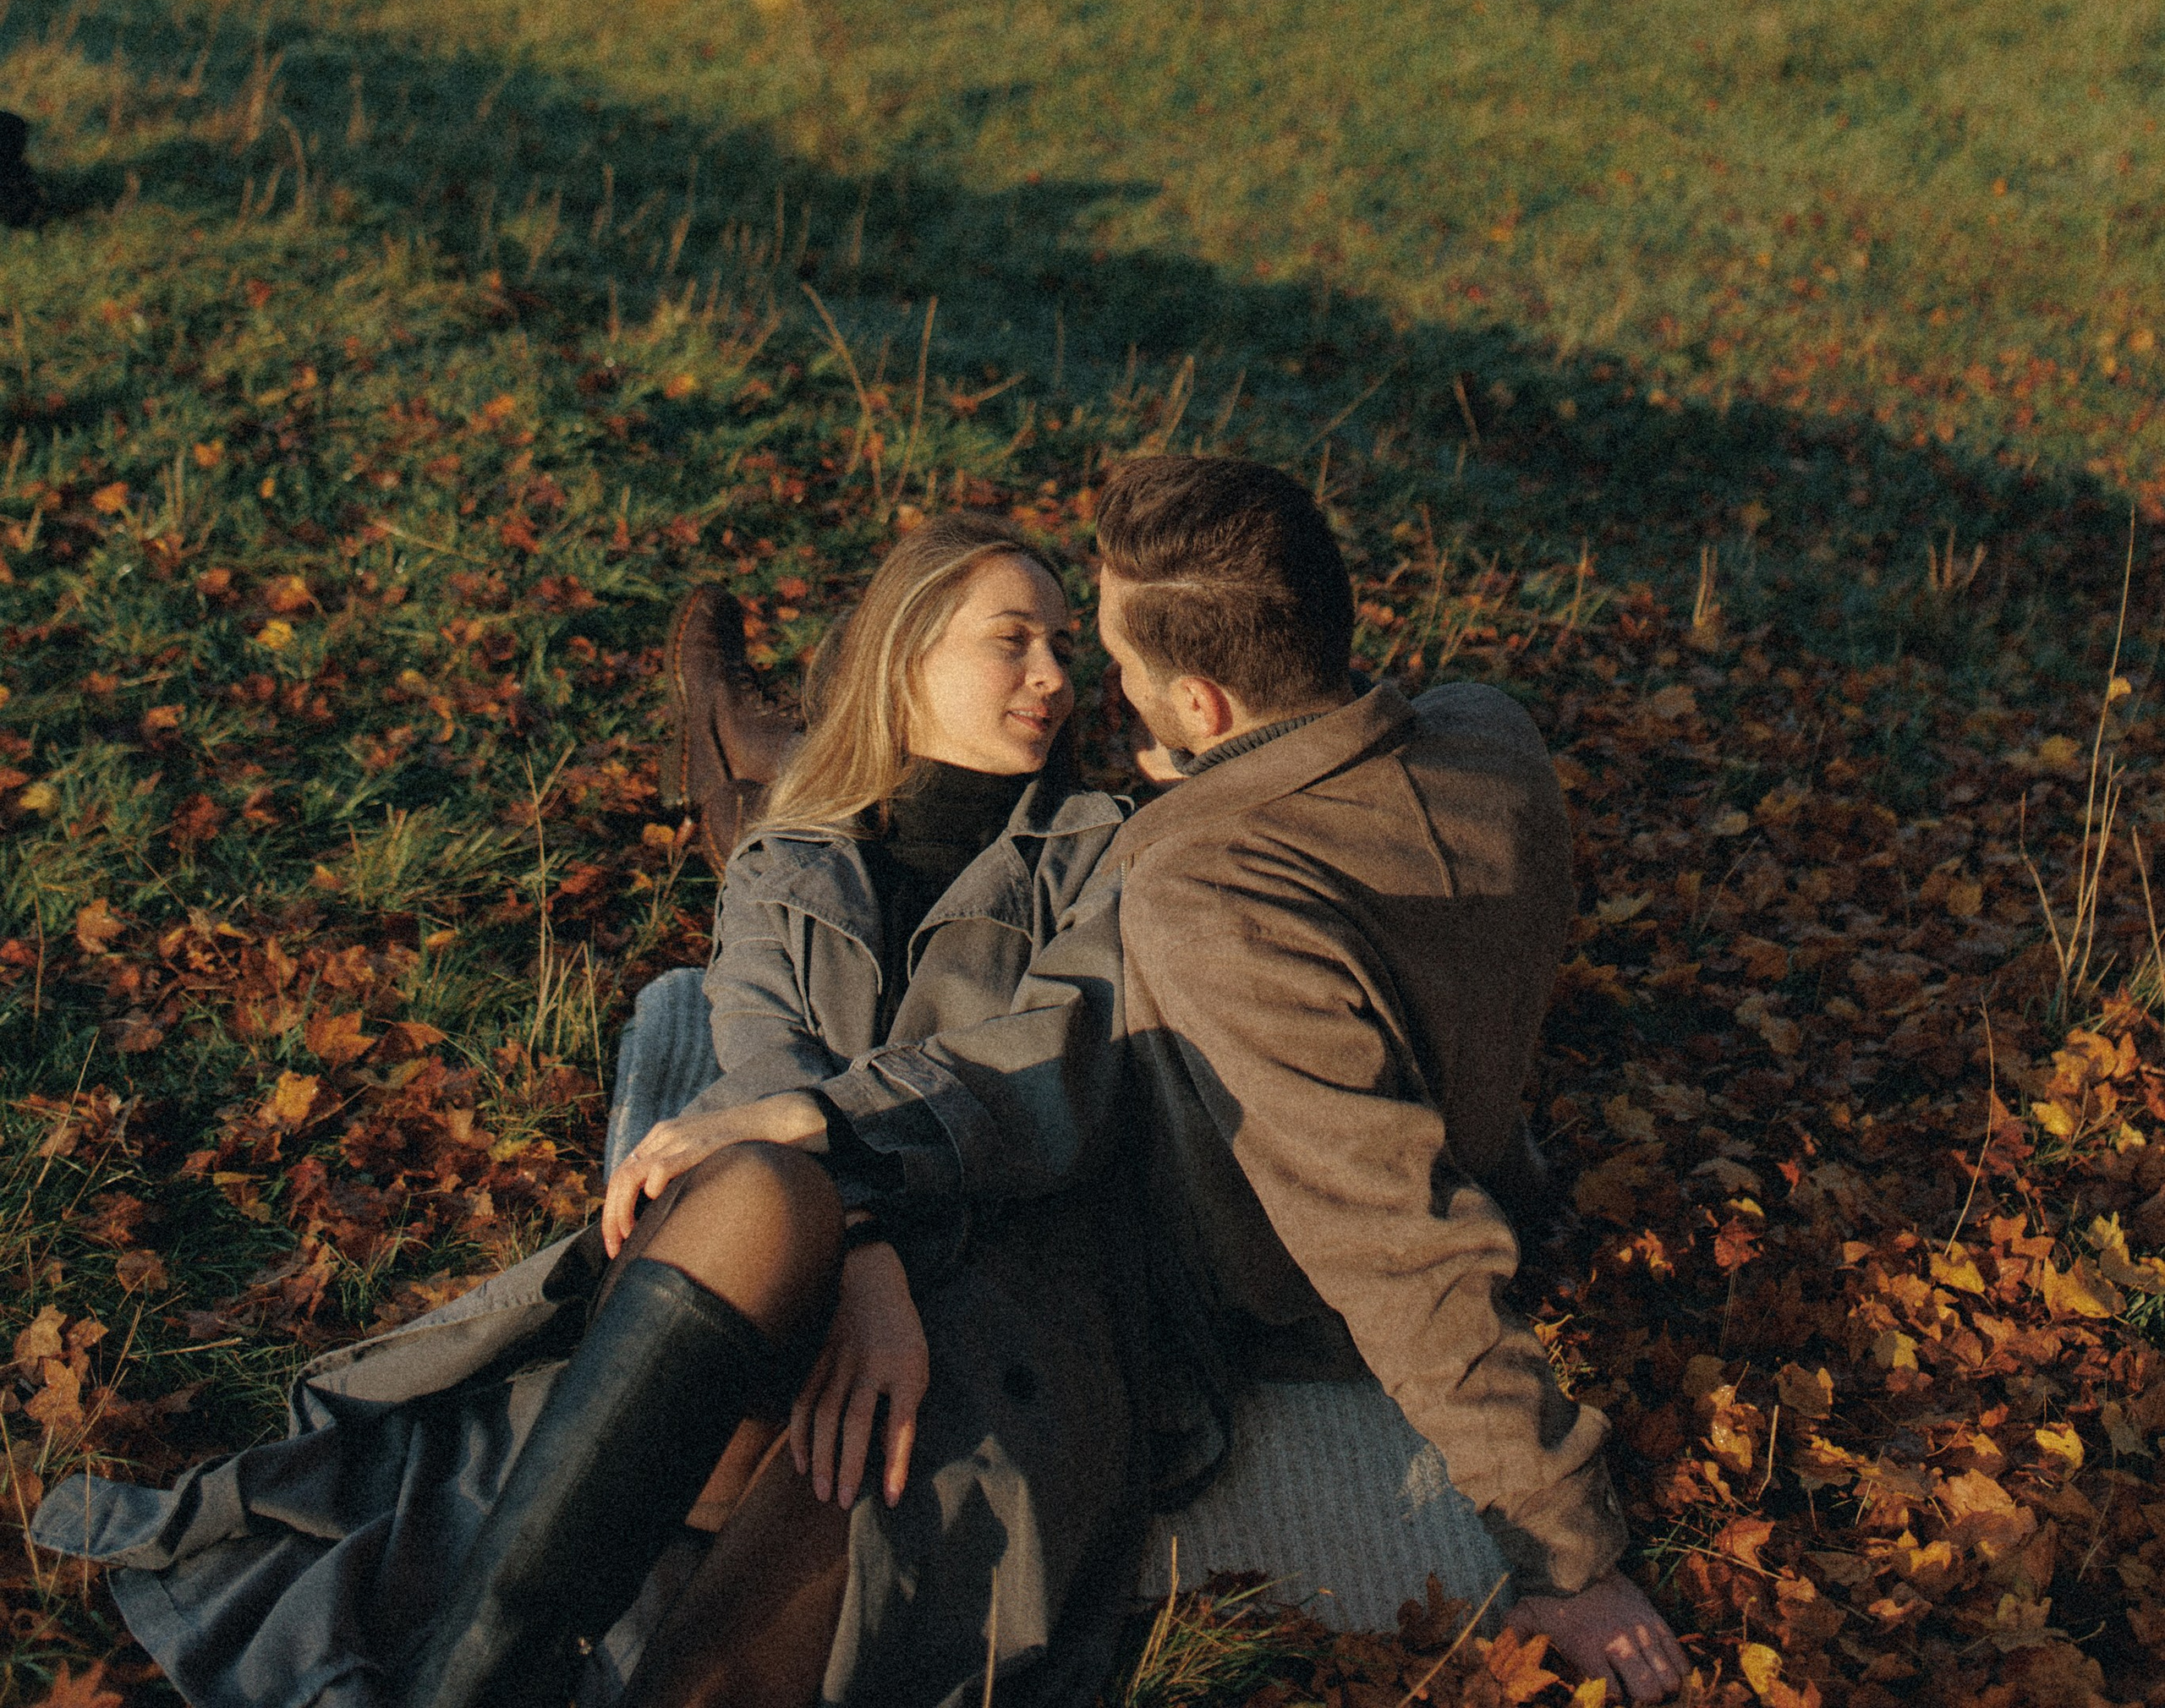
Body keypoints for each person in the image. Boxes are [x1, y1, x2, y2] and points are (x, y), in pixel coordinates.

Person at [35, 512, 1142, 1708]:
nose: (1051, 678)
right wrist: (861, 1249)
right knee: (763, 1194)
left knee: (863, 1447)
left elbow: (1047, 1070)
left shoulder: (1101, 854)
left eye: (1065, 649)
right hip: (788, 1269)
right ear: (904, 658)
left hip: (980, 1288)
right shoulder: (791, 857)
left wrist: (825, 1148)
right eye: (1012, 641)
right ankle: (470, 1684)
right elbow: (761, 1055)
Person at [1092, 452, 1689, 1708]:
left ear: (1199, 701)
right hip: (1233, 803)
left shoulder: (1209, 899)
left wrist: (1565, 1551)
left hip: (1234, 1277)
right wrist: (1207, 780)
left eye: (1124, 669)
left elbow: (1391, 1235)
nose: (1111, 684)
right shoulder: (1492, 733)